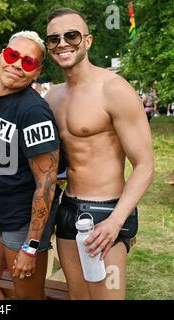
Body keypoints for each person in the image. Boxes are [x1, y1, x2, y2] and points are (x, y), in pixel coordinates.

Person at [43, 8, 154, 299]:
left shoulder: (114, 89)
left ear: (88, 41)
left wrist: (116, 221)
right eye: (54, 39)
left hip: (107, 211)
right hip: (68, 210)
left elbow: (144, 165)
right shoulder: (52, 97)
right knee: (78, 297)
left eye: (71, 35)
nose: (62, 43)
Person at [0, 31, 60, 300]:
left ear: (36, 72)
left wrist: (31, 245)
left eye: (29, 63)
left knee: (29, 297)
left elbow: (47, 183)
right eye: (12, 55)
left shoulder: (34, 111)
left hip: (21, 222)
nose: (18, 65)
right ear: (1, 56)